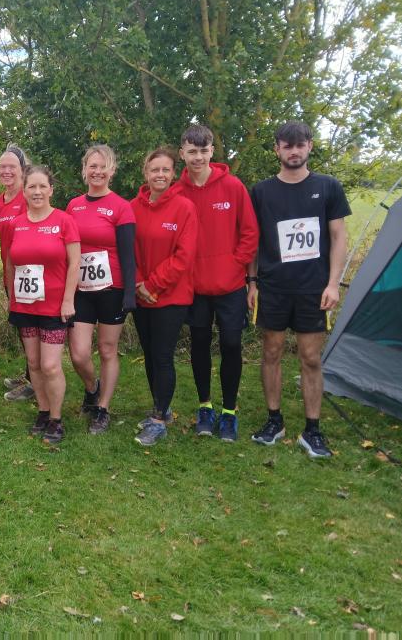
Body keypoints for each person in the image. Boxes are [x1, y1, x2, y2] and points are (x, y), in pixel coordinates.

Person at [248, 121, 350, 458]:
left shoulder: (329, 187)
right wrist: (251, 282)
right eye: (287, 145)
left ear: (309, 147)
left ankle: (313, 429)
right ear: (276, 149)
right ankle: (274, 420)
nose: (294, 151)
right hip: (273, 288)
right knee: (272, 353)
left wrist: (333, 283)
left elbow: (338, 237)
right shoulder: (261, 191)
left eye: (300, 144)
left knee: (310, 357)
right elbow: (252, 241)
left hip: (313, 289)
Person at [176, 124, 259, 441]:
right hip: (194, 287)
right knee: (198, 346)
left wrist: (234, 264)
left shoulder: (233, 187)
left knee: (231, 345)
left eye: (204, 150)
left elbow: (250, 232)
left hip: (230, 286)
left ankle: (229, 412)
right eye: (192, 151)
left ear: (213, 151)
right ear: (182, 152)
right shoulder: (177, 191)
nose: (198, 157)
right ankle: (205, 407)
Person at [5, 165, 80, 445]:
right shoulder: (16, 223)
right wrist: (12, 295)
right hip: (25, 304)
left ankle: (57, 419)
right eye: (31, 187)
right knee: (34, 363)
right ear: (23, 191)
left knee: (50, 365)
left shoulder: (64, 221)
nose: (36, 192)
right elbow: (11, 262)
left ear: (51, 189)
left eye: (42, 187)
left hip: (55, 305)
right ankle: (43, 410)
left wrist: (69, 299)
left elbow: (75, 263)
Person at [66, 144, 136, 434]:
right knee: (79, 353)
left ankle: (103, 409)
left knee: (107, 350)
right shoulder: (73, 206)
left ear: (112, 171)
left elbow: (128, 253)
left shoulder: (121, 207)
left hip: (112, 287)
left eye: (102, 166)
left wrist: (130, 292)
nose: (97, 171)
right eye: (92, 166)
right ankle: (92, 387)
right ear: (84, 170)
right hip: (81, 288)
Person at [130, 148, 198, 446]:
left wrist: (153, 284)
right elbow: (125, 250)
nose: (159, 175)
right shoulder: (132, 207)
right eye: (154, 169)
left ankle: (158, 421)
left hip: (171, 296)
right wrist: (138, 284)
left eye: (165, 170)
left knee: (162, 355)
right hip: (140, 294)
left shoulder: (184, 208)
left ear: (173, 174)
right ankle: (162, 408)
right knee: (149, 352)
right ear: (146, 173)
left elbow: (184, 257)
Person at [0, 145, 36, 402]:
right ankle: (30, 372)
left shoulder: (27, 197)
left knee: (30, 328)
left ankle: (34, 381)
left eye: (12, 166)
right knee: (22, 328)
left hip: (29, 275)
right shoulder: (2, 200)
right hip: (10, 273)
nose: (7, 171)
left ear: (22, 170)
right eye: (3, 167)